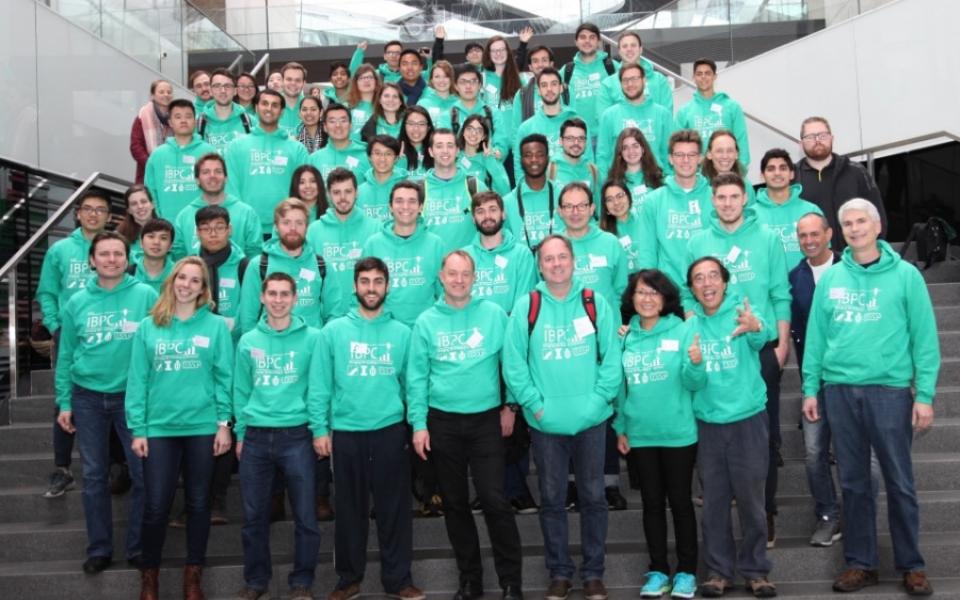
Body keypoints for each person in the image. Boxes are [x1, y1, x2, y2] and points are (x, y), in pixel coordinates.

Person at [802, 198, 938, 597]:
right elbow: (816, 339)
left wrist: (924, 394)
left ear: (877, 227)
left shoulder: (907, 277)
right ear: (841, 232)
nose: (855, 228)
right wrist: (811, 387)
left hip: (889, 392)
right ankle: (860, 563)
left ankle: (911, 565)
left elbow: (925, 341)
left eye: (862, 221)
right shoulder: (831, 279)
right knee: (854, 482)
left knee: (899, 481)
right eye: (848, 223)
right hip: (839, 391)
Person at [503, 234, 622, 600]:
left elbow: (612, 359)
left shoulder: (594, 301)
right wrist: (535, 406)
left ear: (573, 262)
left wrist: (596, 403)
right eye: (549, 259)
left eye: (562, 257)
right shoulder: (528, 305)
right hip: (545, 423)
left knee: (593, 497)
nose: (556, 264)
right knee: (552, 498)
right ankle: (559, 572)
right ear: (540, 265)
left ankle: (593, 574)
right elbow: (513, 364)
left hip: (590, 421)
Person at [408, 250, 526, 600]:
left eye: (465, 274)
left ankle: (511, 581)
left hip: (486, 420)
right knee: (455, 504)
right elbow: (417, 379)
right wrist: (418, 424)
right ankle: (470, 579)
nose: (459, 280)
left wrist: (511, 406)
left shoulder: (492, 315)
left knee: (494, 499)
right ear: (441, 277)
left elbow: (512, 364)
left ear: (474, 278)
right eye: (452, 274)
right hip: (442, 423)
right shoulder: (426, 322)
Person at [683, 172, 792, 545]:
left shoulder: (767, 239)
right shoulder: (698, 241)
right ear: (712, 200)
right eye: (721, 197)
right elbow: (686, 295)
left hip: (757, 347)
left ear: (745, 198)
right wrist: (693, 332)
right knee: (713, 437)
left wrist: (780, 345)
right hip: (711, 350)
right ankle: (720, 515)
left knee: (765, 438)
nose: (728, 203)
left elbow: (781, 292)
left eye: (734, 196)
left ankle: (767, 512)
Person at [311, 257, 424, 600]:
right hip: (346, 432)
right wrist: (319, 428)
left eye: (378, 281)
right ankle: (348, 579)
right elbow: (320, 386)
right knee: (348, 511)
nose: (371, 288)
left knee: (395, 510)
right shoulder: (332, 332)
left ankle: (399, 580)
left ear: (387, 286)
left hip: (390, 430)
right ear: (354, 286)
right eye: (365, 281)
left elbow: (415, 387)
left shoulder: (403, 333)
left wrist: (417, 424)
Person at [125, 256, 234, 600]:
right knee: (157, 505)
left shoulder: (216, 326)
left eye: (195, 280)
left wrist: (224, 424)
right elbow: (137, 381)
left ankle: (193, 575)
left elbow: (224, 378)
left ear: (204, 289)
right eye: (182, 278)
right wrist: (138, 429)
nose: (187, 285)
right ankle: (150, 575)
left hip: (202, 427)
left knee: (199, 502)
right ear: (172, 281)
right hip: (158, 429)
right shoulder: (148, 326)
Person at [54, 231, 159, 574]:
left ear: (128, 259)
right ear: (91, 260)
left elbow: (159, 345)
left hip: (133, 398)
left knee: (143, 474)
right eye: (104, 254)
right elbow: (67, 354)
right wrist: (64, 402)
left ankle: (138, 547)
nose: (112, 259)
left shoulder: (145, 295)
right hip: (86, 397)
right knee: (95, 475)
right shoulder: (76, 302)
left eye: (118, 253)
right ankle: (99, 548)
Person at [685, 256, 776, 598]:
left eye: (712, 277)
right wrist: (693, 365)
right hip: (708, 424)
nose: (707, 284)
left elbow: (760, 336)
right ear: (692, 288)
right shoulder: (689, 324)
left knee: (753, 501)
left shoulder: (743, 311)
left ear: (724, 281)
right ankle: (718, 571)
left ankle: (756, 570)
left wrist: (757, 327)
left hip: (748, 420)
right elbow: (689, 380)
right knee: (714, 504)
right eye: (698, 279)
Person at [233, 272, 323, 600]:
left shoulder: (313, 338)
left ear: (296, 298)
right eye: (272, 293)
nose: (279, 300)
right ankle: (256, 581)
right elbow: (241, 392)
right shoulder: (248, 341)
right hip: (256, 437)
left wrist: (318, 430)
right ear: (262, 297)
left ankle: (302, 582)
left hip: (297, 435)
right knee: (254, 517)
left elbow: (318, 389)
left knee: (306, 515)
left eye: (285, 294)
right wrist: (240, 434)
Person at [615, 270, 703, 599]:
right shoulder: (625, 336)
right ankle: (657, 570)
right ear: (632, 298)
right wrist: (620, 427)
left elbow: (695, 383)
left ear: (665, 298)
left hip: (678, 433)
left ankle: (686, 571)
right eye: (641, 292)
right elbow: (621, 389)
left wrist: (696, 363)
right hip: (639, 434)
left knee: (680, 502)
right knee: (651, 504)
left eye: (654, 293)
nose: (647, 299)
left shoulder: (683, 330)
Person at [463, 191, 539, 514]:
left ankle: (516, 490)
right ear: (474, 217)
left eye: (493, 209)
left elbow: (523, 303)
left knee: (514, 424)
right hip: (477, 349)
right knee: (483, 423)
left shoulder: (522, 255)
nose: (487, 215)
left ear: (504, 214)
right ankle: (490, 490)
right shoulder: (465, 256)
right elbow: (461, 300)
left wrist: (504, 328)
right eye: (481, 210)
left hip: (513, 344)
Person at [556, 182, 629, 510]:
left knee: (607, 412)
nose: (575, 211)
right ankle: (573, 485)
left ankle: (609, 483)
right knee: (572, 411)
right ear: (559, 211)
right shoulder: (553, 246)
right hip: (565, 347)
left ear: (591, 208)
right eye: (568, 206)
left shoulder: (610, 243)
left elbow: (620, 290)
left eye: (581, 205)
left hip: (604, 345)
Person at [37, 191, 112, 499]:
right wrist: (55, 327)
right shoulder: (60, 250)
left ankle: (113, 466)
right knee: (64, 401)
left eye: (101, 210)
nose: (94, 214)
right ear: (77, 213)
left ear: (109, 216)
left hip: (107, 336)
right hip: (70, 336)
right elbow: (47, 292)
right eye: (88, 209)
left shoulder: (115, 249)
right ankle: (63, 469)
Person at [787, 212, 843, 547]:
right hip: (816, 380)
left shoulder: (850, 270)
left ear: (829, 234)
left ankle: (858, 513)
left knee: (856, 454)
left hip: (853, 379)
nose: (809, 240)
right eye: (802, 235)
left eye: (814, 234)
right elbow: (797, 332)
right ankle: (828, 514)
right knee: (813, 452)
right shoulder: (795, 277)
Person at [237, 198, 344, 333]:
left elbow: (334, 315)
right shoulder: (258, 266)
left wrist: (322, 345)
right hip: (270, 348)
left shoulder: (322, 266)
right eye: (286, 223)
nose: (293, 228)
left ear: (307, 226)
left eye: (299, 223)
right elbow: (248, 318)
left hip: (311, 350)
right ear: (276, 227)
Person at [224, 89, 310, 235]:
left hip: (287, 228)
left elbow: (304, 191)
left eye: (275, 105)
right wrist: (241, 219)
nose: (269, 108)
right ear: (256, 108)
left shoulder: (297, 149)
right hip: (247, 227)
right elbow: (231, 188)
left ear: (282, 112)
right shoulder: (236, 146)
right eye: (264, 103)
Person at [795, 116, 887, 251]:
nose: (817, 140)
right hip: (814, 261)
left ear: (832, 138)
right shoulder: (793, 178)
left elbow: (877, 216)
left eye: (823, 135)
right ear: (801, 144)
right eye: (810, 137)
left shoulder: (856, 171)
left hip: (854, 260)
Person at [361, 181, 445, 327]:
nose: (405, 207)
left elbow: (444, 293)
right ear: (390, 207)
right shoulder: (373, 244)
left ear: (420, 207)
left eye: (412, 201)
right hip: (384, 329)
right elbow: (361, 292)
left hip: (425, 329)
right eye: (399, 201)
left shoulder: (436, 244)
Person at [636, 130, 712, 289]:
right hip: (667, 291)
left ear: (700, 158)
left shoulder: (715, 197)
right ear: (670, 158)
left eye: (691, 155)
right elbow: (646, 253)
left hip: (708, 289)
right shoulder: (653, 201)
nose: (685, 160)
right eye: (679, 155)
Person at [306, 167, 379, 313]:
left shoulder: (375, 227)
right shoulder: (314, 231)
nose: (343, 198)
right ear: (328, 194)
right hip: (327, 317)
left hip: (364, 316)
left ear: (356, 193)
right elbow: (309, 276)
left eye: (348, 191)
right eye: (336, 192)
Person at [173, 152, 263, 260]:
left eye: (218, 171)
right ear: (197, 180)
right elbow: (178, 256)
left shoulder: (246, 213)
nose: (212, 176)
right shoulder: (184, 216)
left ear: (225, 178)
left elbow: (255, 255)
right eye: (206, 172)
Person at [144, 99, 217, 219]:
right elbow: (150, 191)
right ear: (170, 122)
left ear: (194, 121)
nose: (183, 121)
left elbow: (218, 188)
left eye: (188, 116)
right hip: (166, 227)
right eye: (178, 117)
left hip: (203, 225)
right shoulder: (157, 155)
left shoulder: (209, 152)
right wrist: (158, 217)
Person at [596, 63, 675, 174]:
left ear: (644, 80)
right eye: (625, 80)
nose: (630, 84)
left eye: (634, 79)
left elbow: (669, 153)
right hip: (621, 184)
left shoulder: (662, 114)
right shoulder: (609, 116)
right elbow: (603, 157)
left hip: (656, 182)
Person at [753, 148, 823, 268]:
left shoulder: (811, 210)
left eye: (783, 168)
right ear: (762, 176)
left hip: (807, 284)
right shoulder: (751, 215)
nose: (777, 173)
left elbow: (824, 253)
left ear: (792, 174)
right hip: (768, 286)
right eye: (771, 169)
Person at [422, 128, 488, 251]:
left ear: (457, 151)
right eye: (439, 146)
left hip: (468, 266)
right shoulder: (419, 189)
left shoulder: (475, 186)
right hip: (434, 267)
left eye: (450, 146)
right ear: (431, 151)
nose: (445, 151)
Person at [676, 59, 750, 168]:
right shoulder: (684, 112)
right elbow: (678, 147)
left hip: (728, 173)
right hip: (698, 177)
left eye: (708, 73)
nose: (703, 77)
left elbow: (741, 141)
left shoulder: (732, 107)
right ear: (693, 78)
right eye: (699, 74)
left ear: (715, 77)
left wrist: (739, 172)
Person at [512, 68, 579, 177]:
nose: (549, 89)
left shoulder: (576, 123)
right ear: (538, 91)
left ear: (561, 88)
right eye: (544, 85)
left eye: (554, 84)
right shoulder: (526, 128)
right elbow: (519, 167)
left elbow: (587, 162)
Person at [560, 23, 617, 143]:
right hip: (578, 138)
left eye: (592, 37)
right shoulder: (566, 71)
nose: (587, 41)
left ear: (598, 42)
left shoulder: (612, 67)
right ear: (576, 41)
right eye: (583, 37)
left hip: (608, 136)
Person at [595, 31, 673, 117]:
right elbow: (604, 120)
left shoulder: (659, 80)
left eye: (633, 45)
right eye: (625, 46)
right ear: (620, 52)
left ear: (640, 49)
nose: (629, 49)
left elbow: (667, 116)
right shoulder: (608, 84)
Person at [504, 134, 558, 252]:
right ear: (521, 160)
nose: (534, 159)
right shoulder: (507, 202)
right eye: (528, 155)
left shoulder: (562, 195)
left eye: (540, 155)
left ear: (548, 158)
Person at [450, 64, 508, 159]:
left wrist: (496, 152)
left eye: (473, 81)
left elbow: (502, 145)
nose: (468, 86)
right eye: (463, 82)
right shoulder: (447, 115)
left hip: (487, 169)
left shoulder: (493, 113)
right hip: (458, 171)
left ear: (480, 85)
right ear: (456, 86)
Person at [605, 128, 664, 212]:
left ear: (643, 149)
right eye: (625, 148)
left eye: (635, 146)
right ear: (620, 152)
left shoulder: (658, 177)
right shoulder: (613, 181)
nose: (631, 151)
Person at [309, 103, 371, 182]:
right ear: (325, 127)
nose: (338, 125)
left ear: (350, 125)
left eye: (343, 120)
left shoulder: (366, 157)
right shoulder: (314, 159)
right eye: (332, 121)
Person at [198, 68, 254, 154]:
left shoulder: (251, 121)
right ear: (211, 91)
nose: (223, 91)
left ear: (235, 91)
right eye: (217, 86)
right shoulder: (198, 123)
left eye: (227, 86)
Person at [358, 135, 411, 222]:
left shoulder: (408, 190)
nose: (382, 159)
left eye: (388, 154)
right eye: (377, 153)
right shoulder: (358, 193)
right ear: (369, 157)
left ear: (396, 158)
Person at [548, 119, 600, 206]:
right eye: (570, 138)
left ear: (586, 142)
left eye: (581, 138)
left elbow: (597, 208)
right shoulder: (550, 169)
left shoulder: (593, 170)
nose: (576, 143)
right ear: (561, 141)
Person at [130, 79, 174, 183]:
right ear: (152, 95)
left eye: (169, 92)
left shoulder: (176, 115)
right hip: (148, 172)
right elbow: (136, 146)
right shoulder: (143, 116)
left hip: (172, 172)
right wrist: (151, 164)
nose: (166, 95)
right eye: (161, 92)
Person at [456, 114, 511, 196]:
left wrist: (490, 160)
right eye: (469, 129)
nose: (473, 133)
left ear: (484, 136)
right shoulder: (454, 157)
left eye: (479, 130)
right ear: (463, 132)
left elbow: (505, 191)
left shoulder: (489, 158)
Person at [700, 129, 756, 205]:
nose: (725, 156)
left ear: (736, 154)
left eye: (730, 151)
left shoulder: (746, 186)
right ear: (709, 154)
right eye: (719, 151)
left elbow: (750, 215)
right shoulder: (699, 186)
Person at [598, 181, 642, 271]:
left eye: (620, 196)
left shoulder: (644, 221)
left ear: (629, 197)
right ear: (605, 206)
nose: (616, 202)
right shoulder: (600, 231)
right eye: (609, 200)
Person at [127, 218, 175, 293]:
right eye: (151, 236)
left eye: (163, 238)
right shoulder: (126, 274)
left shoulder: (178, 274)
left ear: (170, 246)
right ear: (141, 242)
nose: (156, 242)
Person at [513, 45, 556, 126]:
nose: (540, 64)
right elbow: (516, 129)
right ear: (530, 67)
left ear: (551, 64)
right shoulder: (521, 94)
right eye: (535, 61)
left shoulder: (564, 90)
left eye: (544, 60)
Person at [116, 184, 159, 262]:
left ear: (152, 204)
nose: (140, 206)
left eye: (143, 201)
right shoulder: (118, 236)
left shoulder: (165, 231)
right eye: (134, 204)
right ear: (129, 210)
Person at [418, 60, 459, 130]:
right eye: (437, 77)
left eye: (446, 76)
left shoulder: (459, 103)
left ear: (451, 79)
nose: (441, 80)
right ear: (431, 80)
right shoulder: (422, 104)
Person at [398, 106, 434, 181]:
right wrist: (399, 163)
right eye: (411, 124)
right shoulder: (394, 150)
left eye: (421, 124)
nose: (416, 129)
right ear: (404, 126)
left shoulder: (436, 150)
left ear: (428, 127)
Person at [346, 64, 380, 141]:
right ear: (356, 83)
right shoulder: (348, 107)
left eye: (370, 77)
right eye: (362, 78)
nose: (366, 80)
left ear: (376, 81)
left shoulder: (384, 106)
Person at [278, 62, 308, 139]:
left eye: (297, 80)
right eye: (289, 79)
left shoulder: (311, 108)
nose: (293, 83)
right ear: (282, 81)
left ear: (303, 83)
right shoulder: (269, 107)